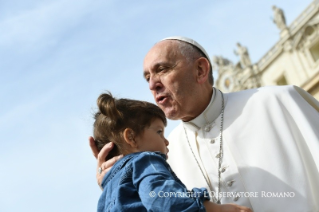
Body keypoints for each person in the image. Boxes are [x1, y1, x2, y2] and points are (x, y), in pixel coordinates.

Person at [90, 36, 319, 212]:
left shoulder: (278, 102)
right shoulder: (161, 150)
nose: (152, 84)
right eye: (147, 77)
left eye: (162, 69)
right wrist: (118, 183)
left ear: (200, 70)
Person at [92, 92, 251, 211]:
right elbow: (163, 199)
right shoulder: (146, 161)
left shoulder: (107, 192)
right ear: (132, 137)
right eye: (159, 132)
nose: (166, 141)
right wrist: (217, 209)